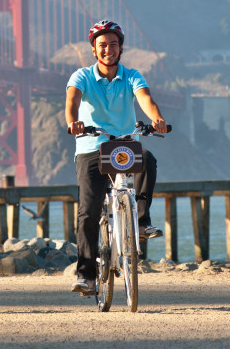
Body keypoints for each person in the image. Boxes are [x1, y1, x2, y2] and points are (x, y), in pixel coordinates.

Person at [66, 20, 169, 295]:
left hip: (124, 145)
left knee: (147, 159)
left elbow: (145, 98)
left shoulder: (132, 75)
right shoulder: (82, 76)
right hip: (91, 147)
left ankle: (142, 222)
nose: (108, 49)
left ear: (121, 48)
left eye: (113, 44)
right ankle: (86, 275)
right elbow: (72, 101)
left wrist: (156, 119)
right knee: (88, 211)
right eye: (102, 45)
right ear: (93, 50)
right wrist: (73, 122)